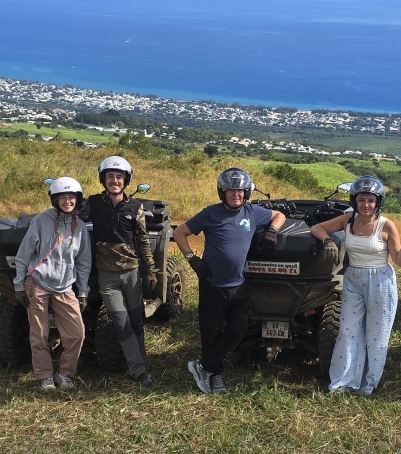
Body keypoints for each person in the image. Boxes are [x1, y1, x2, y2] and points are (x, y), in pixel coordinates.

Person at [172, 167, 285, 395]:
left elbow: (279, 215)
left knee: (238, 329)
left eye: (240, 191)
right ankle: (215, 375)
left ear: (247, 193)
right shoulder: (210, 213)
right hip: (213, 283)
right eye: (231, 191)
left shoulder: (252, 212)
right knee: (211, 332)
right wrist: (191, 258)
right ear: (222, 193)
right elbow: (179, 233)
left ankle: (203, 366)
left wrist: (272, 230)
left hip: (238, 284)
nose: (236, 195)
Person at [310, 175, 401, 395]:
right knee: (347, 330)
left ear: (378, 202)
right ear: (354, 201)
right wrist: (329, 240)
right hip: (353, 278)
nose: (366, 205)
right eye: (361, 200)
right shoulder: (347, 220)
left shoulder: (386, 225)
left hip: (380, 280)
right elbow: (317, 228)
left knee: (376, 334)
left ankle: (367, 384)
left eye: (371, 200)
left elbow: (399, 261)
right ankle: (343, 382)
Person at [85, 155, 158, 387]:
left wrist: (150, 271)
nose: (114, 181)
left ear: (125, 181)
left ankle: (141, 361)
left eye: (119, 177)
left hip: (132, 273)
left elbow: (143, 240)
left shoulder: (135, 207)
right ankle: (138, 370)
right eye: (110, 177)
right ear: (103, 179)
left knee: (136, 321)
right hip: (107, 276)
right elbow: (70, 218)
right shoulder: (93, 203)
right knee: (120, 321)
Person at [14, 177, 91, 390]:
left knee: (77, 333)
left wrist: (83, 291)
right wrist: (19, 284)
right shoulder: (41, 220)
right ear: (55, 200)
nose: (68, 201)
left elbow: (84, 262)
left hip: (65, 286)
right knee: (39, 334)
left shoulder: (80, 227)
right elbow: (24, 253)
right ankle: (44, 375)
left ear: (78, 200)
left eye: (72, 197)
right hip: (38, 283)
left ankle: (65, 373)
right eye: (63, 197)